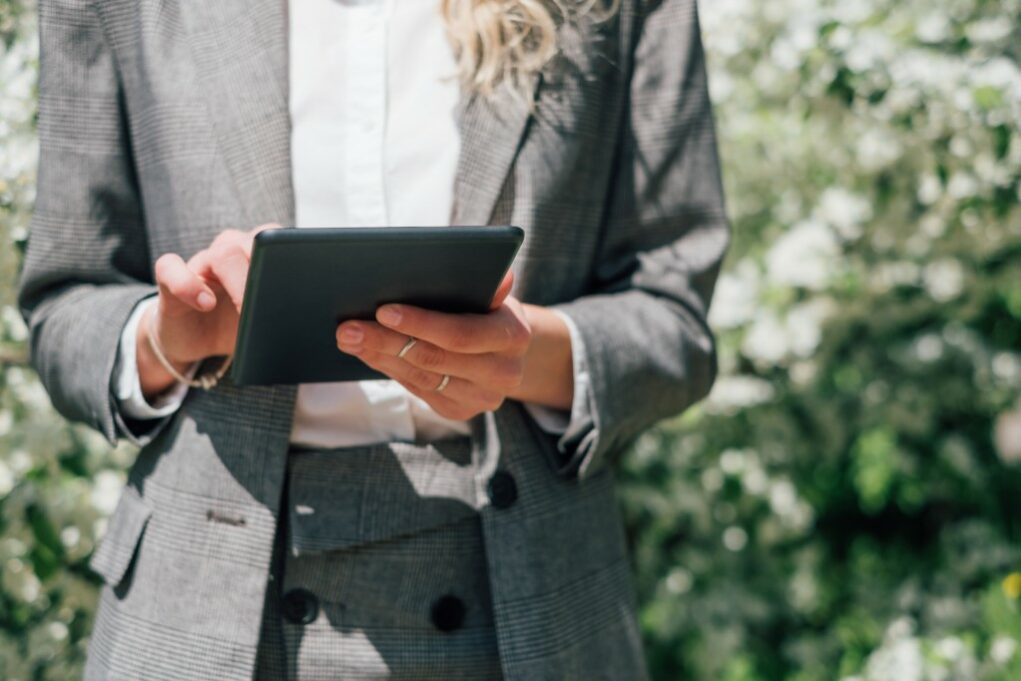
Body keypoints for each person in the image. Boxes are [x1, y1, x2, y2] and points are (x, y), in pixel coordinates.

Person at [18, 0, 728, 677]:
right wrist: (165, 340)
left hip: (525, 607)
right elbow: (66, 301)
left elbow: (674, 318)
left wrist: (525, 355)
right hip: (210, 607)